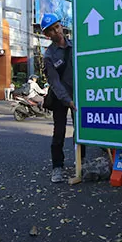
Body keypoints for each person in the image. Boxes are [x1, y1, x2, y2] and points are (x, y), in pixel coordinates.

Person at [41, 13, 86, 183]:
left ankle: (82, 162)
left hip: (78, 95)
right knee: (59, 132)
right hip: (61, 98)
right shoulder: (49, 56)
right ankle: (57, 167)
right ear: (47, 35)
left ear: (61, 26)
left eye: (57, 26)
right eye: (51, 30)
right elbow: (54, 83)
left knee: (80, 131)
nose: (56, 31)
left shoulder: (75, 45)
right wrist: (68, 100)